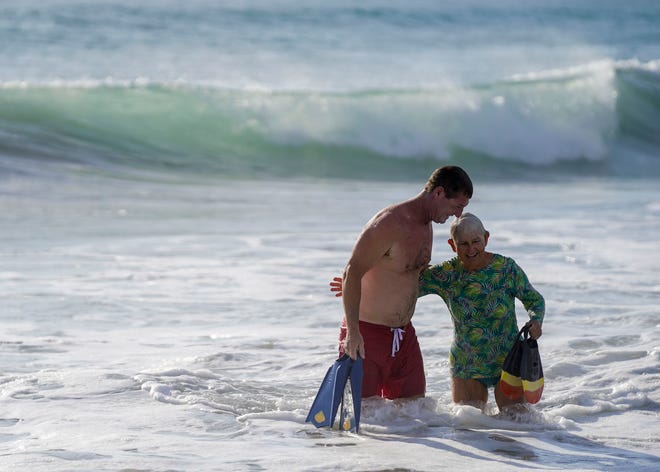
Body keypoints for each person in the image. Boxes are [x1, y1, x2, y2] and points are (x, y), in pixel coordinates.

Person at [332, 213, 545, 412]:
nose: (471, 249)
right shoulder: (447, 274)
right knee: (469, 428)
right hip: (467, 364)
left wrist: (536, 320)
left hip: (507, 361)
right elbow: (402, 289)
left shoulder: (506, 269)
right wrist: (358, 285)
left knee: (517, 426)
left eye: (476, 242)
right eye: (463, 244)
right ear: (452, 245)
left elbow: (534, 299)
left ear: (486, 238)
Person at [337, 166, 473, 400]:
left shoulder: (426, 225)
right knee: (364, 421)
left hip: (403, 337)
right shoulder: (390, 223)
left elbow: (406, 273)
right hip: (367, 335)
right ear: (438, 193)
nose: (458, 214)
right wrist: (352, 333)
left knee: (414, 416)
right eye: (457, 206)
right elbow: (353, 271)